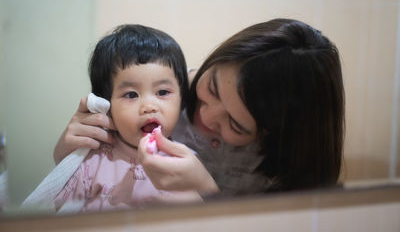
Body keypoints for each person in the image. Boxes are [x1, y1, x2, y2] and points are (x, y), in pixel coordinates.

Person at [54, 18, 345, 196]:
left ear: (275, 135)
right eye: (213, 89)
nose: (205, 115)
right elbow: (71, 175)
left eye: (235, 124)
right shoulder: (166, 93)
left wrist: (205, 191)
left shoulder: (282, 170)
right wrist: (69, 150)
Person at [43, 24, 201, 212]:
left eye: (163, 92)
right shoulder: (92, 163)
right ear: (106, 106)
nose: (149, 107)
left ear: (181, 100)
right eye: (131, 95)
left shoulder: (188, 163)